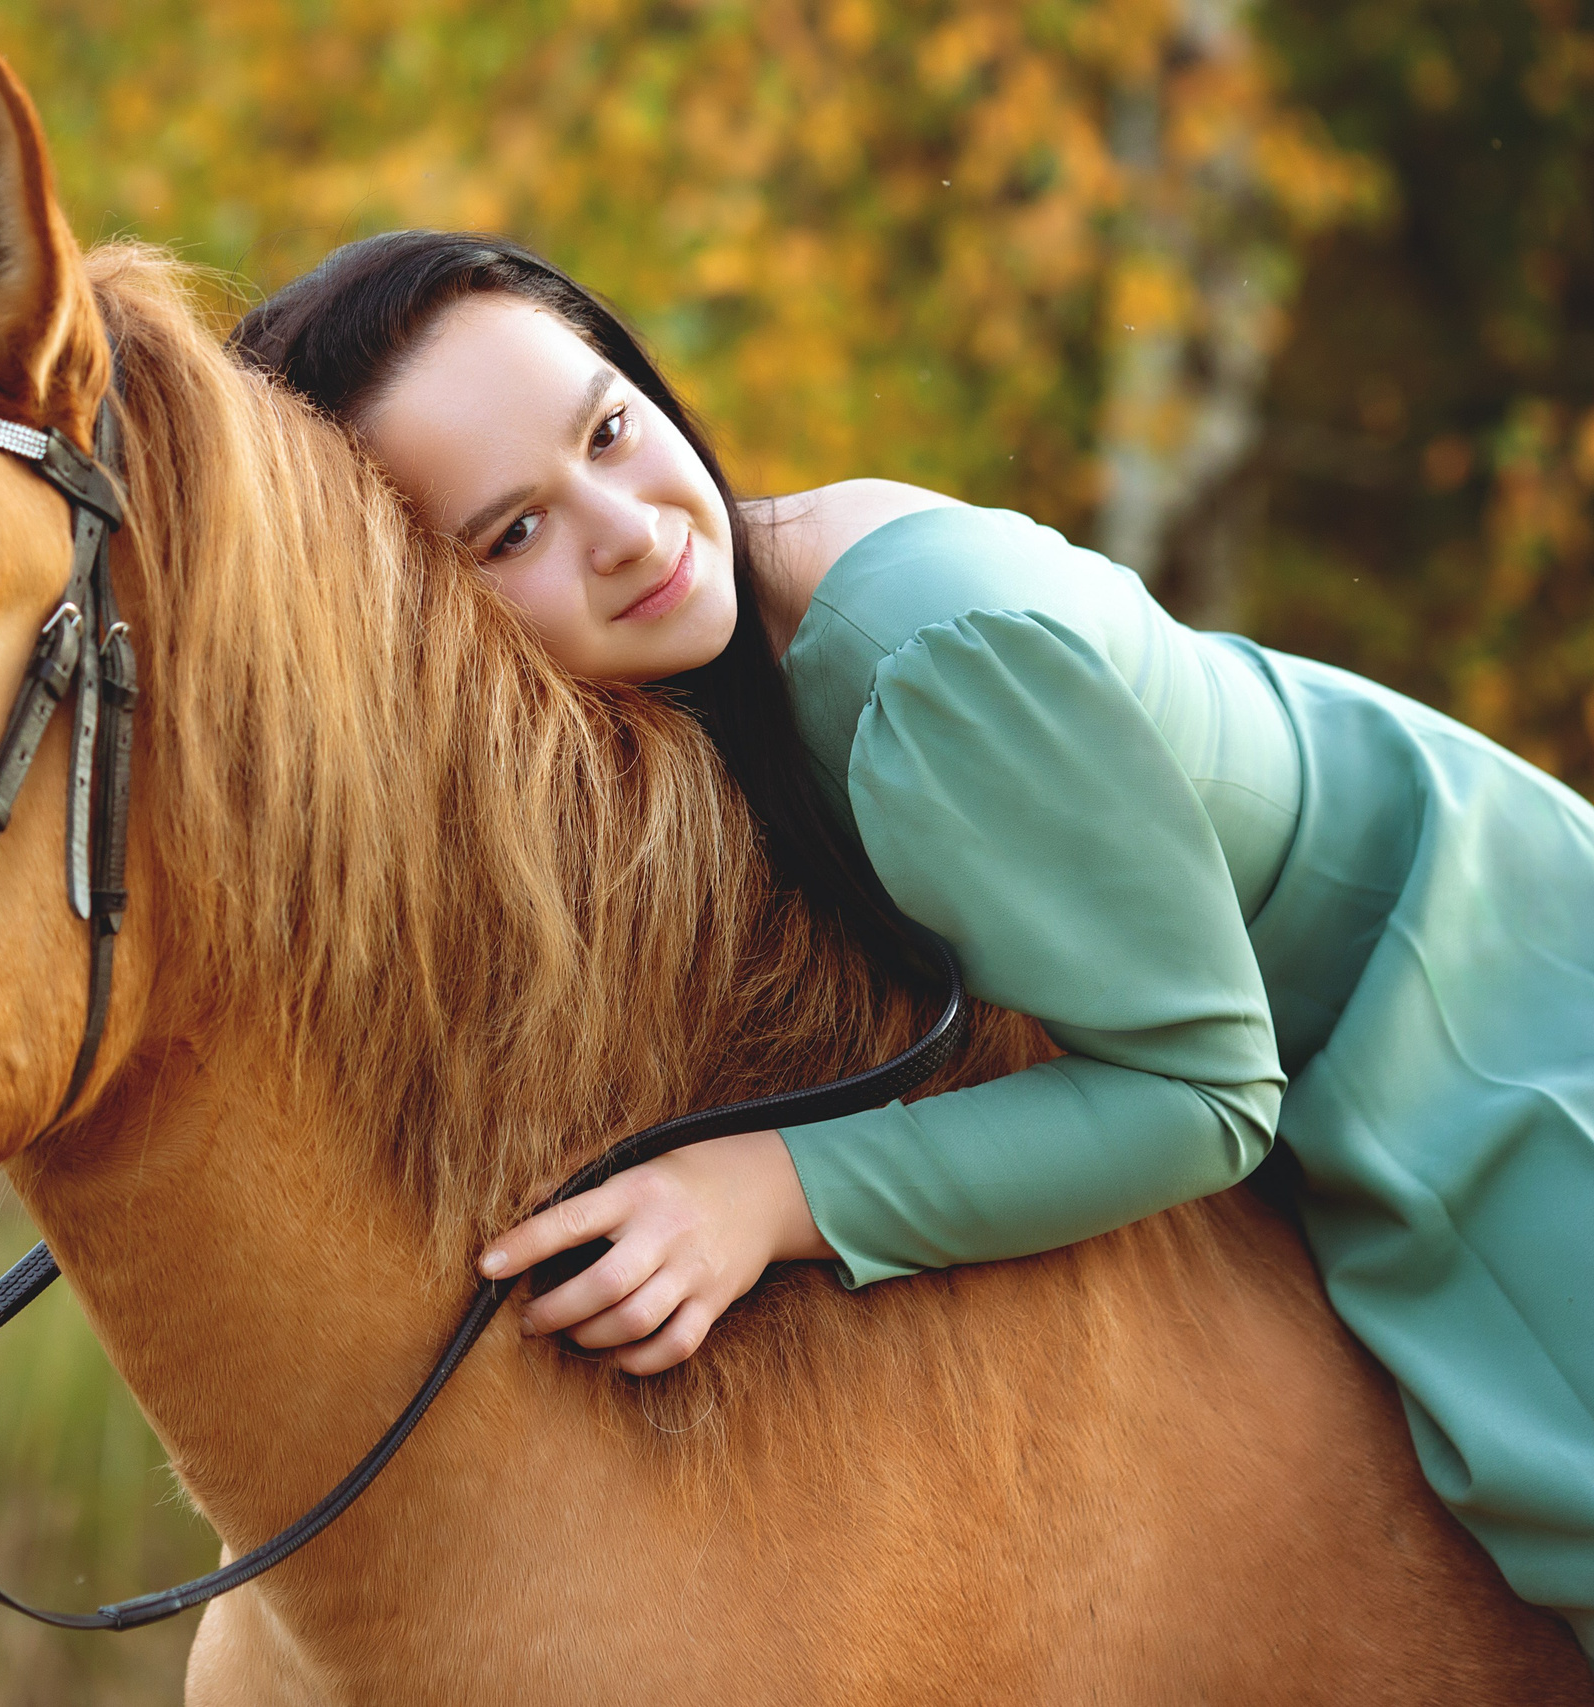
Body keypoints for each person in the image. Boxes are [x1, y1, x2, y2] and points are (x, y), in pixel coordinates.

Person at [229, 230, 1594, 1655]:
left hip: (1459, 1002)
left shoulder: (916, 654)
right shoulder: (681, 675)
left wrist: (767, 1191)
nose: (626, 526)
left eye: (609, 430)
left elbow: (1202, 1094)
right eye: (512, 531)